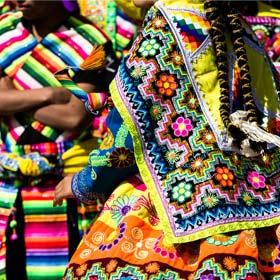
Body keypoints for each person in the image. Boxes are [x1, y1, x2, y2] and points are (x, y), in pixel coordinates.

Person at [55, 0, 280, 278]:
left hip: (177, 218)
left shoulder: (164, 24)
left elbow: (127, 136)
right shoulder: (240, 30)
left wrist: (85, 182)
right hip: (259, 218)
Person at [0, 0, 116, 278]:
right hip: (8, 181)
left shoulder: (91, 42)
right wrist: (52, 93)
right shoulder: (4, 31)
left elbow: (75, 116)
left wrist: (15, 96)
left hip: (62, 181)